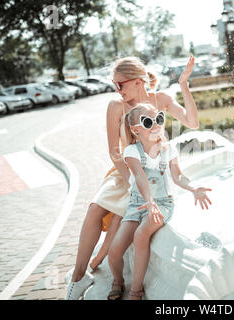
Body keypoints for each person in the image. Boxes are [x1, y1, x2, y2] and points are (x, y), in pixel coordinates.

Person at [66, 56, 200, 300]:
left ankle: (113, 274)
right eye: (114, 85)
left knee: (119, 222)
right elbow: (114, 152)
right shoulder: (115, 106)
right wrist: (132, 181)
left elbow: (192, 122)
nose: (117, 90)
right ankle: (78, 275)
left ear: (139, 81)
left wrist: (183, 85)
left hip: (156, 174)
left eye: (121, 84)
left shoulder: (160, 100)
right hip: (124, 171)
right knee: (95, 208)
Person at [106, 103, 212, 300]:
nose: (155, 125)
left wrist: (193, 188)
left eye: (159, 119)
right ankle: (117, 281)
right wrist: (148, 201)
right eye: (148, 122)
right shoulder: (132, 152)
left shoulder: (168, 149)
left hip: (162, 204)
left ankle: (136, 290)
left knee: (140, 235)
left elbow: (178, 176)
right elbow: (140, 177)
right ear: (136, 130)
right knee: (114, 251)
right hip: (138, 203)